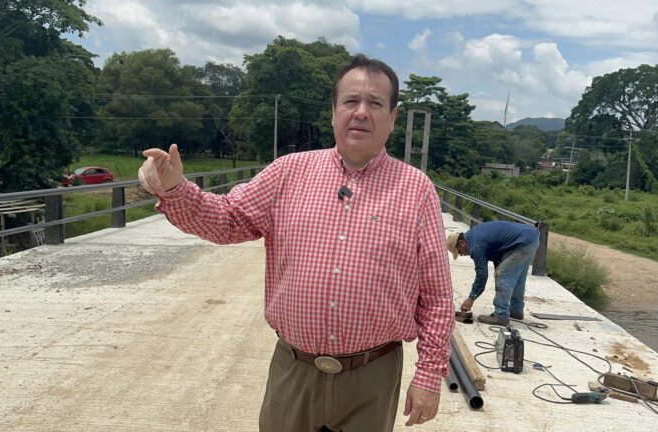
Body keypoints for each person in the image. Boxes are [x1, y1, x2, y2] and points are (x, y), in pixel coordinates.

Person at [138, 54, 454, 432]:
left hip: (374, 373)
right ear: (333, 111)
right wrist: (176, 189)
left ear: (393, 117)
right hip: (294, 367)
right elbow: (227, 220)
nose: (361, 113)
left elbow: (436, 296)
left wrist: (429, 376)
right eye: (351, 101)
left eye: (375, 103)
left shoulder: (416, 190)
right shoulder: (289, 173)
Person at [446, 221, 539, 326]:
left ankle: (500, 315)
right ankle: (516, 310)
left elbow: (482, 275)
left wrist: (471, 298)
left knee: (502, 274)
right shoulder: (474, 234)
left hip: (521, 243)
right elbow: (498, 247)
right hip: (530, 237)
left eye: (459, 252)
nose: (462, 255)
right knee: (518, 278)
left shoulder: (475, 246)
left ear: (461, 243)